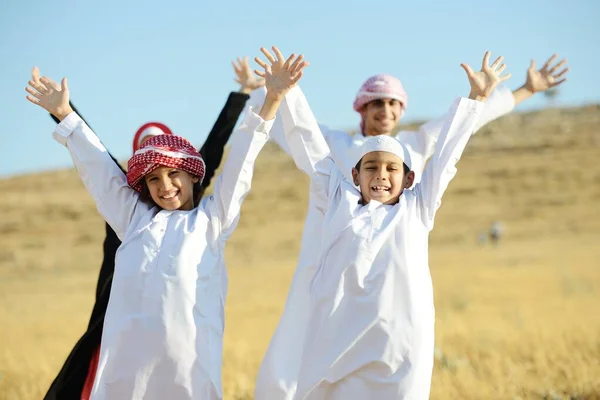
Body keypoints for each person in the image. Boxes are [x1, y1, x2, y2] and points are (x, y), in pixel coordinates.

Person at [253, 53, 569, 398]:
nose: (381, 175)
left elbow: (453, 144)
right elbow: (304, 139)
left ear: (410, 178)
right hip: (336, 305)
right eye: (371, 167)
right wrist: (279, 94)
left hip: (398, 334)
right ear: (354, 174)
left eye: (392, 169)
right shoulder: (338, 186)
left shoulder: (418, 200)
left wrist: (487, 96)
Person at [26, 48, 308, 400]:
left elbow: (242, 159)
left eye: (173, 174)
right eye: (153, 179)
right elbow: (97, 164)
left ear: (192, 176)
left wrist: (271, 100)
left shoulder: (211, 220)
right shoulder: (131, 219)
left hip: (188, 376)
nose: (164, 186)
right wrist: (63, 113)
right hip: (125, 377)